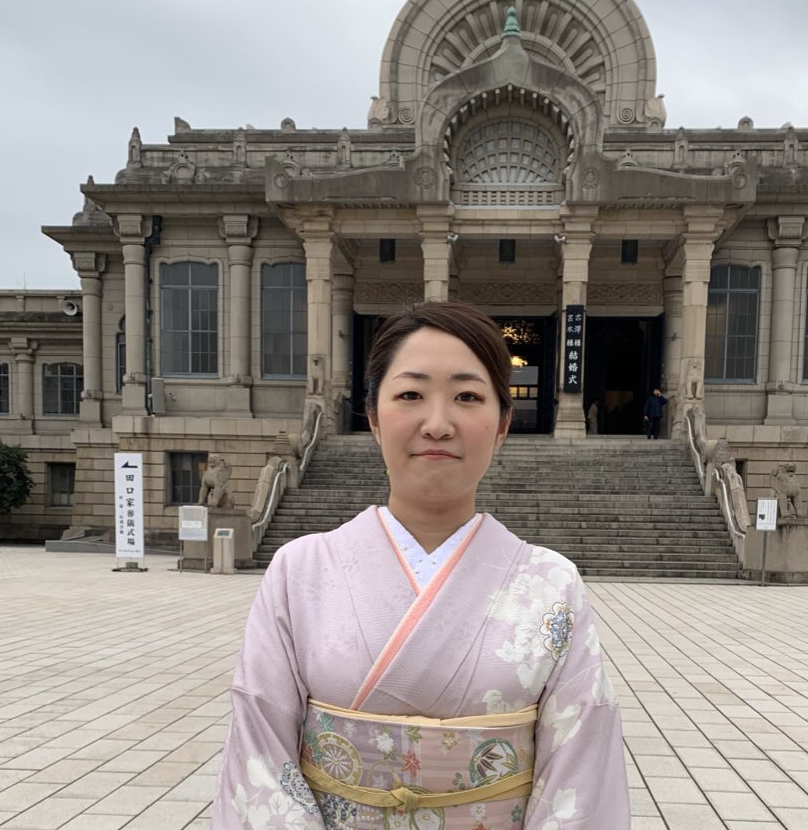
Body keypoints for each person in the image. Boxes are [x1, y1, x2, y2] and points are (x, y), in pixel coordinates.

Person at [213, 301, 630, 828]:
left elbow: (581, 768)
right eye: (410, 395)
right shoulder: (301, 571)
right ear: (373, 417)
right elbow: (260, 753)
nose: (438, 424)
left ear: (502, 423)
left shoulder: (552, 583)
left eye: (467, 397)